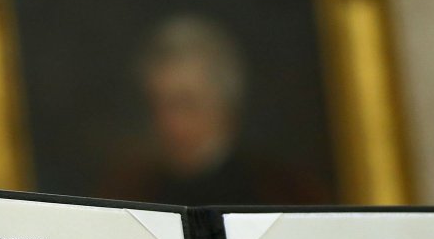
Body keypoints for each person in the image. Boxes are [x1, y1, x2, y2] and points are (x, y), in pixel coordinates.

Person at [100, 14, 330, 206]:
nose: (167, 122)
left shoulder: (283, 190)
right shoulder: (129, 191)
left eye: (184, 104)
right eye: (156, 105)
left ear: (224, 104)